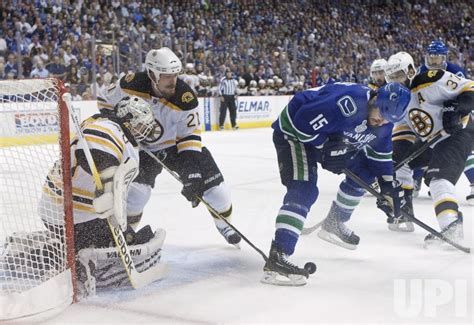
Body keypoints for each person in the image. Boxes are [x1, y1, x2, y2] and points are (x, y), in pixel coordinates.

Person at [7, 96, 164, 299]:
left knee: (119, 238)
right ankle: (58, 257)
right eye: (141, 124)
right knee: (119, 246)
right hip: (74, 215)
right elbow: (91, 151)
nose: (143, 130)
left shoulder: (112, 129)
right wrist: (107, 186)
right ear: (128, 119)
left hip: (62, 212)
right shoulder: (109, 127)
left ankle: (66, 248)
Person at [262, 81, 410, 286]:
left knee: (366, 173)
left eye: (388, 119)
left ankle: (335, 222)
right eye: (381, 114)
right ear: (375, 99)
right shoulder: (347, 104)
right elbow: (300, 122)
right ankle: (278, 255)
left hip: (326, 138)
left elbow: (380, 154)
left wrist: (387, 185)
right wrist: (326, 148)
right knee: (303, 189)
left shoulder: (384, 119)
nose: (382, 121)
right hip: (293, 135)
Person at [97, 47, 241, 246]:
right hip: (143, 150)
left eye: (175, 75)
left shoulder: (185, 98)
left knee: (217, 191)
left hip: (176, 148)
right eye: (166, 76)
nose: (172, 80)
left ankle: (224, 224)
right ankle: (125, 236)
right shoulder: (131, 84)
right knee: (137, 195)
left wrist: (192, 173)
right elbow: (104, 101)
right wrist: (122, 127)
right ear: (152, 74)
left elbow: (189, 137)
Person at [384, 51, 474, 246]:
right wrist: (394, 168)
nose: (396, 81)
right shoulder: (397, 99)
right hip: (434, 140)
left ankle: (452, 227)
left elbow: (470, 88)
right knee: (402, 165)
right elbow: (402, 136)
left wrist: (457, 110)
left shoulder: (429, 80)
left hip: (458, 133)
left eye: (399, 75)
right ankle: (405, 210)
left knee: (438, 180)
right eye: (392, 77)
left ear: (409, 71)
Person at [414, 40, 474, 203]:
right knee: (423, 145)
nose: (433, 61)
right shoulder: (420, 71)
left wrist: (457, 111)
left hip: (456, 115)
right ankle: (418, 182)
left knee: (465, 147)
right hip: (433, 116)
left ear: (444, 58)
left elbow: (467, 95)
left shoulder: (455, 71)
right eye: (431, 57)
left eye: (437, 58)